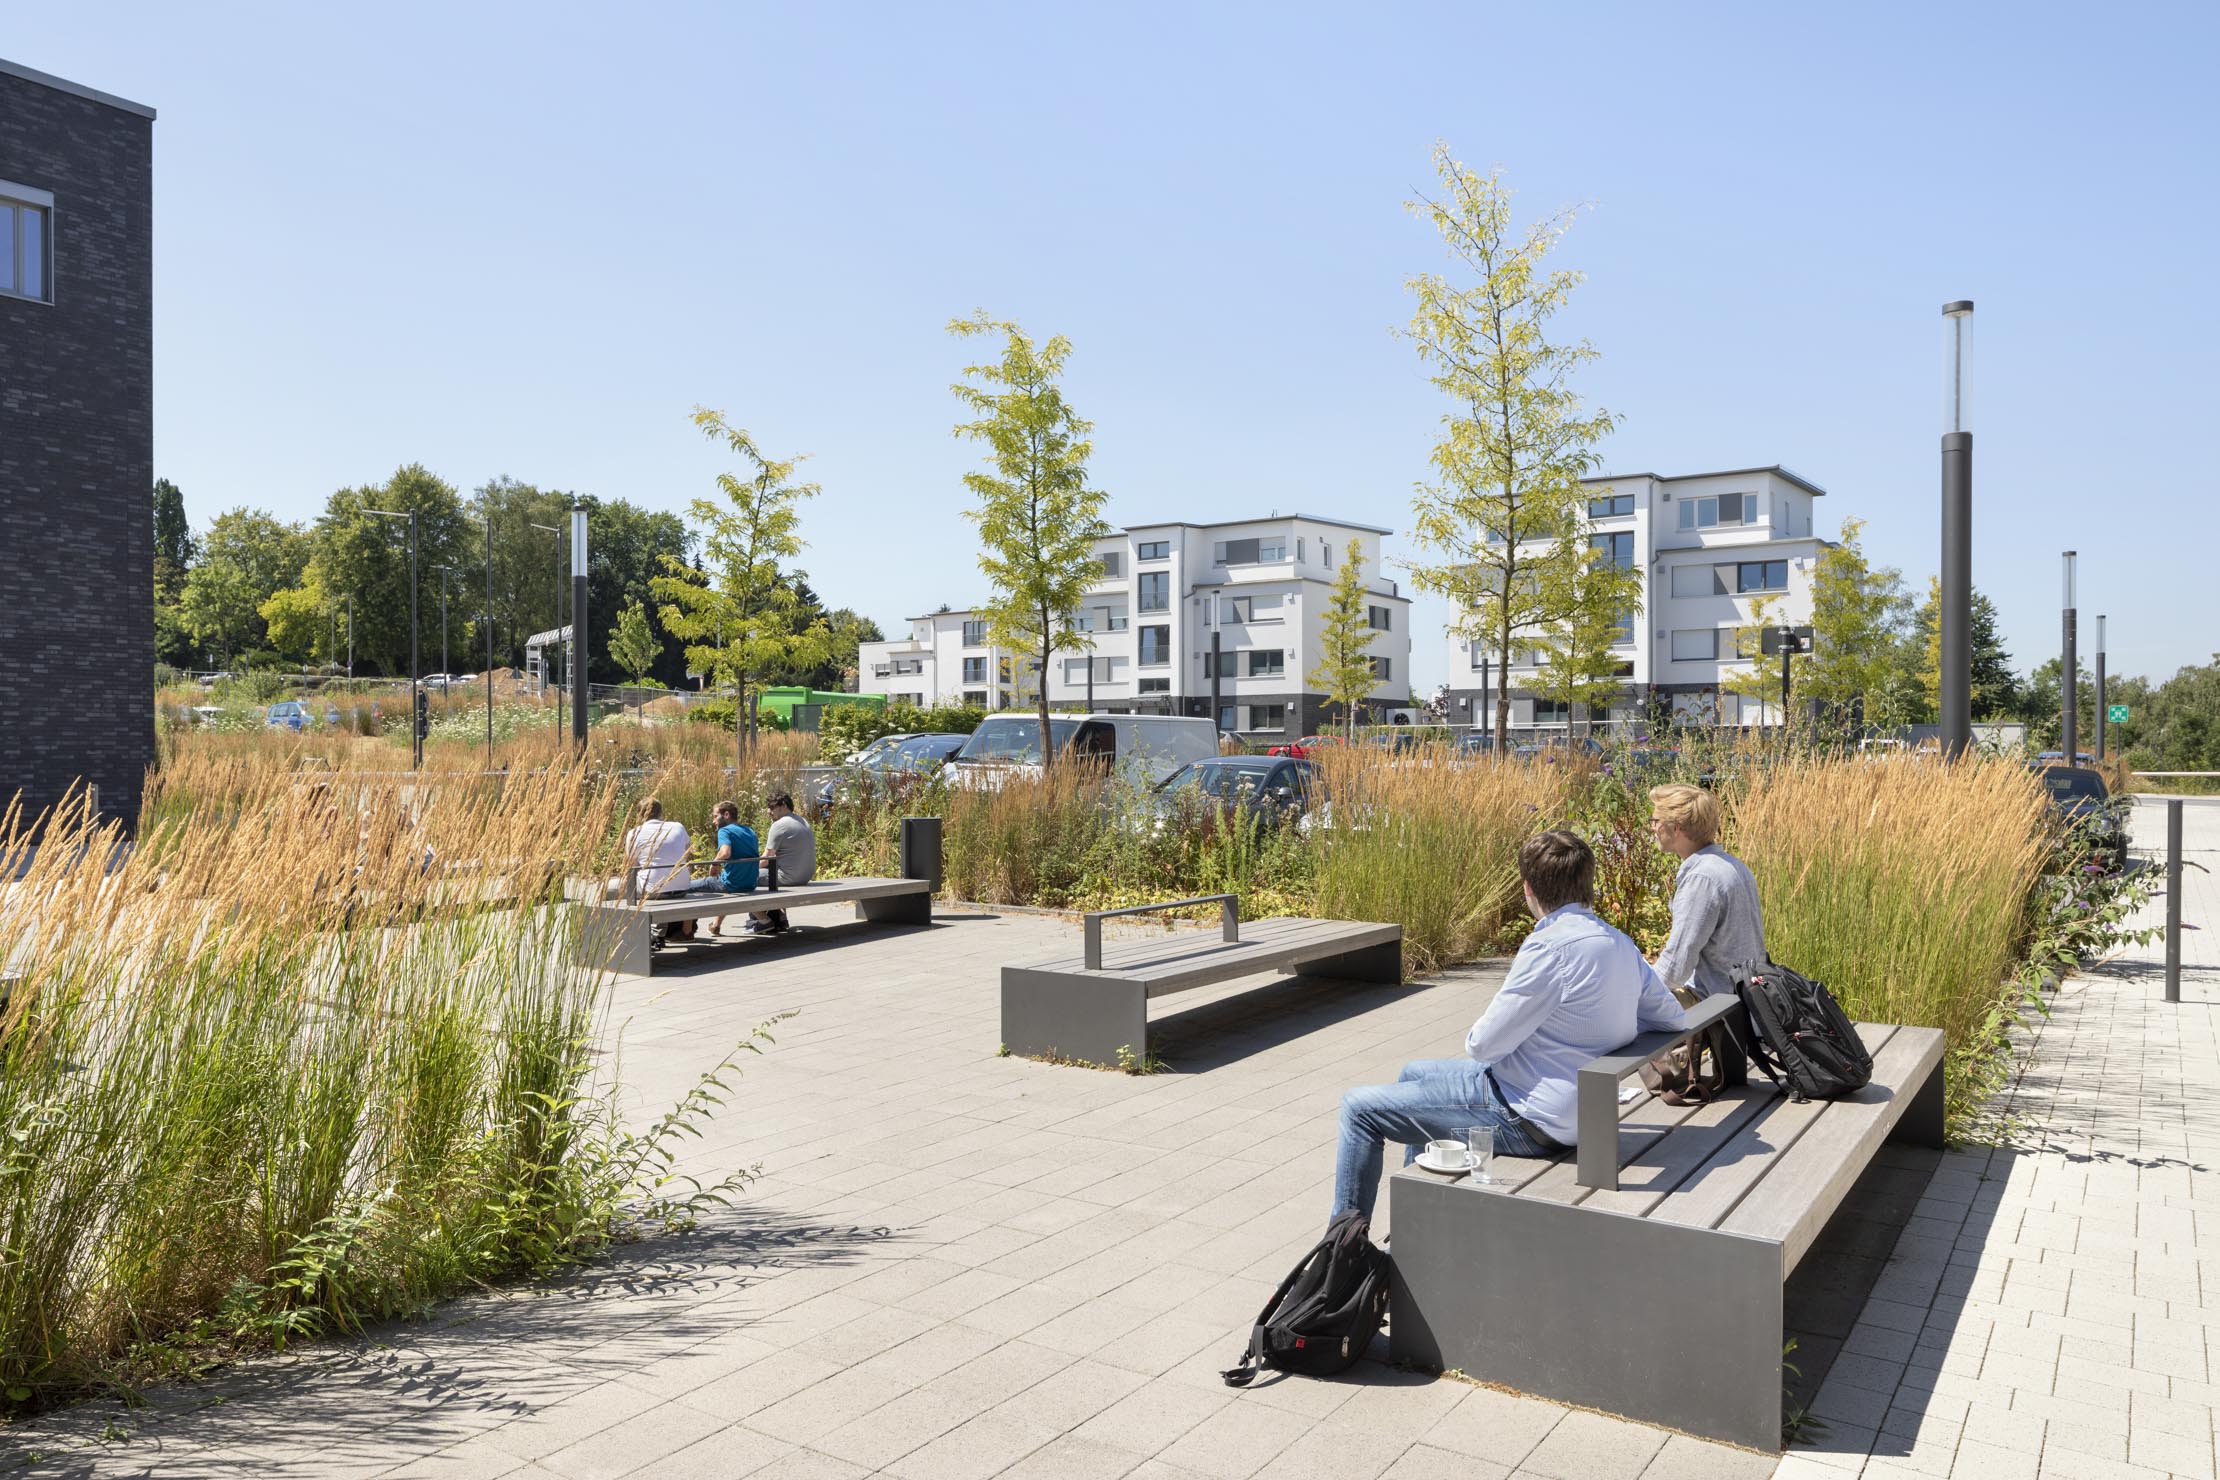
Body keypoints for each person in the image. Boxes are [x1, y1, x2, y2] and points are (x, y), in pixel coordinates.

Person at [1329, 829, 1686, 1223]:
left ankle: (1341, 1252)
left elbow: (1482, 1046)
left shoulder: (1549, 948)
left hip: (1531, 1117)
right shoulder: (1618, 943)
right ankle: (1418, 1223)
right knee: (1413, 1073)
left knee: (1358, 1107)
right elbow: (1670, 1017)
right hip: (1584, 1111)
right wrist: (1599, 1024)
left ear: (1528, 889)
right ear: (1587, 886)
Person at [1647, 783, 1765, 999]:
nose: (1652, 828)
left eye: (1655, 821)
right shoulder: (1732, 865)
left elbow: (1674, 969)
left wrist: (1633, 993)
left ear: (1676, 829)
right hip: (1744, 997)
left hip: (1717, 1006)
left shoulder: (1702, 880)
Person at [614, 796, 698, 938]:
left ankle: (631, 935)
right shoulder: (677, 826)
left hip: (652, 889)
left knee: (611, 888)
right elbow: (686, 853)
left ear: (640, 814)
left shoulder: (634, 833)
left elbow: (631, 867)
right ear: (661, 812)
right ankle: (685, 931)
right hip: (682, 887)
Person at [749, 791, 815, 935]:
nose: (768, 811)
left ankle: (762, 920)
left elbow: (766, 859)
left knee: (747, 879)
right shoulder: (803, 821)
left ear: (783, 805)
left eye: (772, 807)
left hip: (789, 878)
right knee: (773, 871)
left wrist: (748, 870)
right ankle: (781, 917)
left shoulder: (780, 825)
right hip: (806, 876)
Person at [694, 800, 759, 938]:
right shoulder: (750, 831)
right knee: (726, 880)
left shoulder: (725, 831)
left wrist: (715, 864)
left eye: (715, 816)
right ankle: (715, 925)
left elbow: (725, 853)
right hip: (749, 883)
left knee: (687, 885)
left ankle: (684, 930)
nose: (713, 821)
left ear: (726, 814)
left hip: (732, 884)